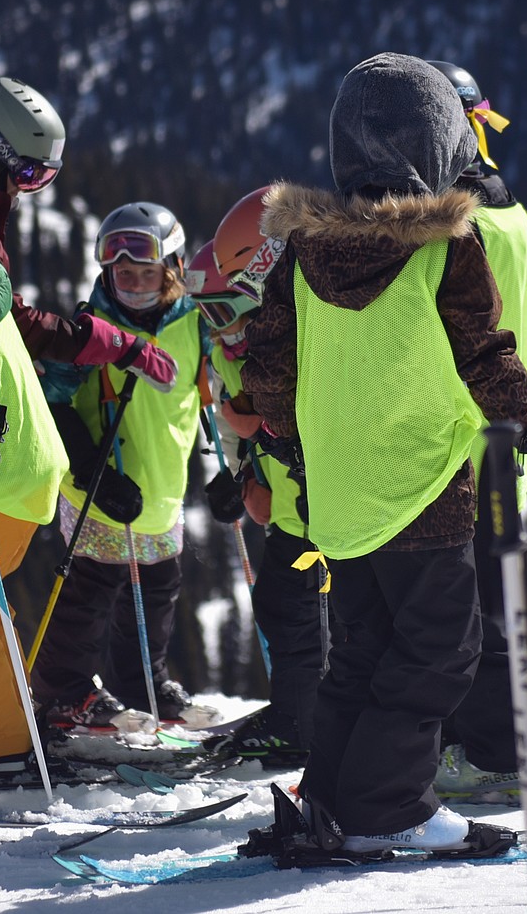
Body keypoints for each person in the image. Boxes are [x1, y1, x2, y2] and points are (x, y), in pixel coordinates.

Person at [240, 52, 527, 855]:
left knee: (362, 648)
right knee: (440, 647)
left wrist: (294, 450)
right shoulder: (444, 247)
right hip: (425, 477)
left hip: (340, 490)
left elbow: (268, 366)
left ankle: (329, 794)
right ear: (438, 143)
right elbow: (485, 355)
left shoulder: (301, 252)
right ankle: (387, 802)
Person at [0, 77, 180, 780]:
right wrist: (112, 342)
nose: (29, 189)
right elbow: (22, 326)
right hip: (13, 460)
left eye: (42, 176)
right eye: (28, 172)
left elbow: (13, 324)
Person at [425, 60, 527, 796]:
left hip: (469, 440)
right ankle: (487, 740)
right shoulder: (506, 210)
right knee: (479, 599)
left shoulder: (464, 223)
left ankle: (509, 753)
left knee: (474, 607)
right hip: (503, 438)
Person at [31, 201, 213, 730]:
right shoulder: (91, 331)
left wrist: (226, 470)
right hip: (100, 487)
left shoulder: (192, 326)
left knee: (157, 588)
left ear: (173, 270)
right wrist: (91, 470)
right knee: (92, 587)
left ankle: (142, 684)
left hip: (161, 487)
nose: (133, 283)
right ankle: (63, 691)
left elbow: (205, 394)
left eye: (146, 272)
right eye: (122, 273)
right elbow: (55, 406)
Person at [187, 203, 330, 768]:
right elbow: (252, 434)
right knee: (285, 611)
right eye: (208, 314)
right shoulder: (236, 351)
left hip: (319, 519)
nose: (221, 326)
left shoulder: (290, 340)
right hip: (294, 512)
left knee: (299, 615)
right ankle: (299, 713)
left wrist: (257, 433)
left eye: (226, 309)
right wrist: (242, 479)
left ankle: (303, 722)